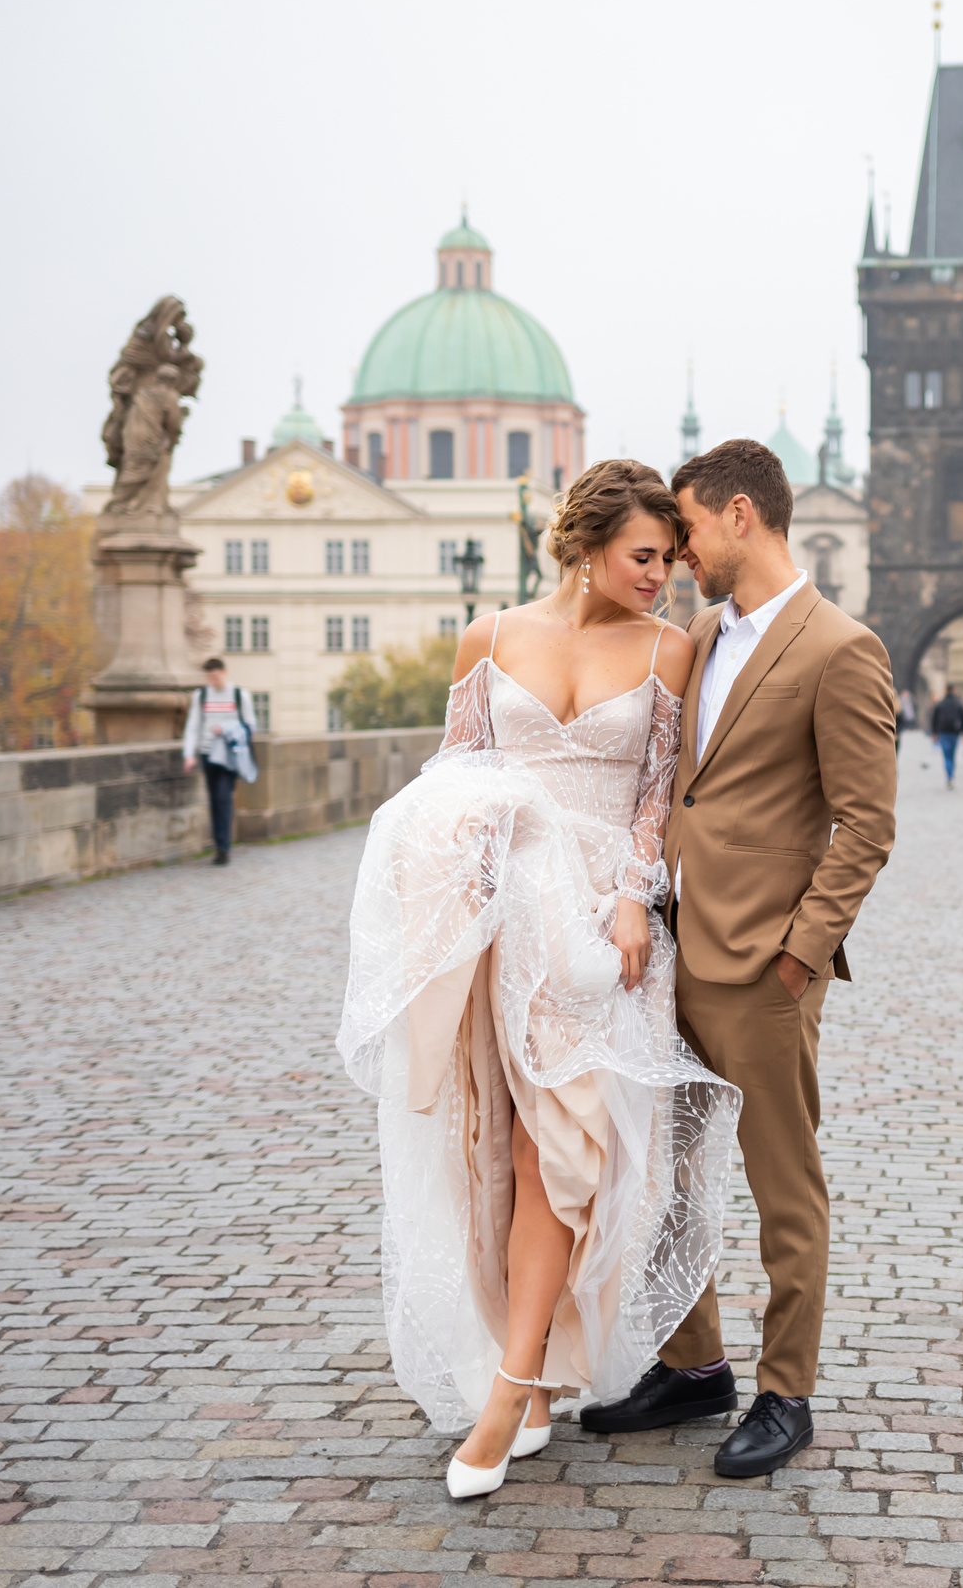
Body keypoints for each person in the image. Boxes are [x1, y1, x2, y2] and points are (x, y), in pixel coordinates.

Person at [336, 460, 735, 1502]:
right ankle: (543, 1376)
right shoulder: (491, 637)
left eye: (668, 558)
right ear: (587, 545)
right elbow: (451, 778)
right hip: (500, 920)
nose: (663, 575)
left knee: (558, 1146)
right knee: (491, 1151)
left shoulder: (668, 649)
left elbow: (657, 797)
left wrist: (631, 892)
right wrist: (456, 884)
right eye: (645, 557)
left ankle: (510, 1392)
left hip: (600, 932)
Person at [575, 437, 898, 1481]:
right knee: (665, 1172)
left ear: (742, 517)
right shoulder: (700, 633)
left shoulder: (840, 648)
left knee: (780, 1184)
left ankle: (786, 1389)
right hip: (671, 950)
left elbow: (866, 825)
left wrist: (800, 957)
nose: (680, 548)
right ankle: (695, 1362)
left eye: (691, 526)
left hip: (764, 968)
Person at [182, 659, 256, 865]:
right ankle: (219, 844)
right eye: (209, 677)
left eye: (215, 676)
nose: (212, 680)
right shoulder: (202, 696)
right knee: (214, 799)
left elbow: (251, 726)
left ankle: (223, 847)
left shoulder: (240, 696)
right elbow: (193, 726)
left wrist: (226, 729)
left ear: (224, 672)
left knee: (223, 797)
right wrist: (189, 755)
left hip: (229, 755)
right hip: (207, 754)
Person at [927, 686, 963, 788]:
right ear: (954, 691)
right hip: (954, 732)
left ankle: (949, 776)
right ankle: (951, 775)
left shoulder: (940, 704)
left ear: (945, 691)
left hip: (943, 732)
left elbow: (934, 719)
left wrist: (934, 733)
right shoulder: (958, 703)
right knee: (953, 755)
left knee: (946, 756)